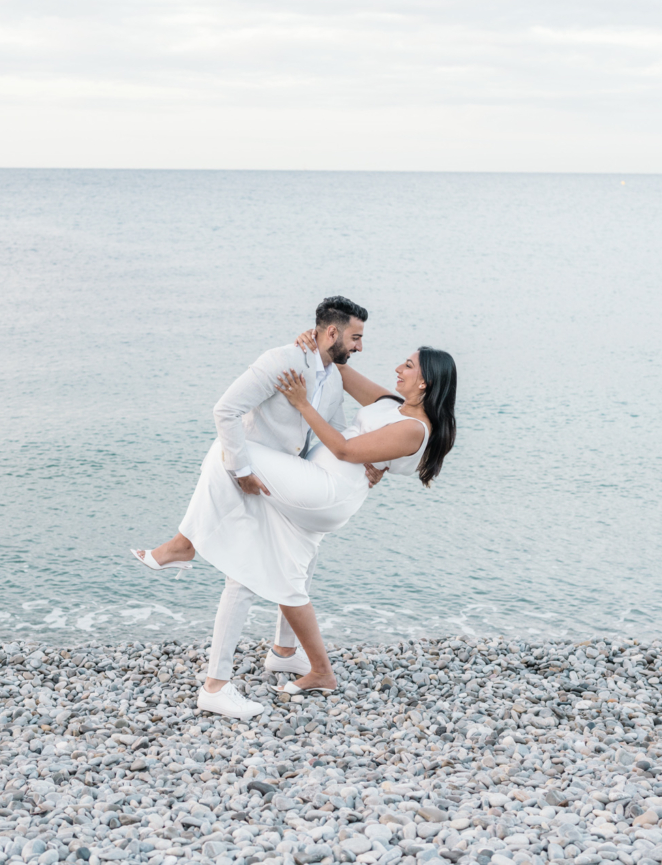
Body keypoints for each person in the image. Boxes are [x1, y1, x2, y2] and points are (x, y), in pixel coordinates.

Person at [134, 303, 458, 719]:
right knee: (261, 570)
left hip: (327, 491)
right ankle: (287, 654)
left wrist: (302, 404)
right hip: (314, 481)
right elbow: (335, 368)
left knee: (230, 451)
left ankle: (184, 543)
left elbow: (344, 449)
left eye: (409, 365)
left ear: (427, 382)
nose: (399, 366)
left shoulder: (416, 429)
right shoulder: (391, 402)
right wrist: (310, 338)